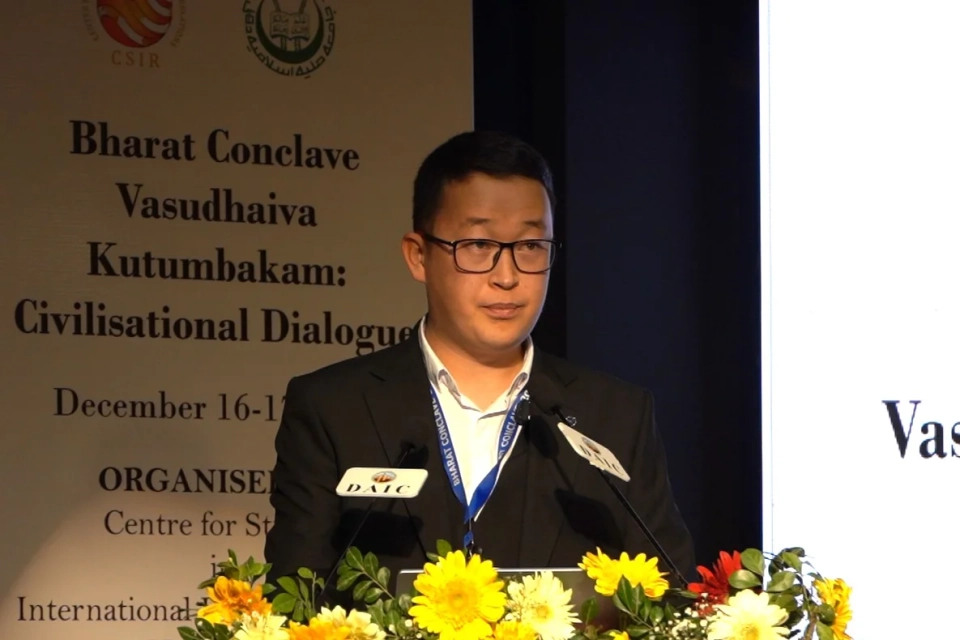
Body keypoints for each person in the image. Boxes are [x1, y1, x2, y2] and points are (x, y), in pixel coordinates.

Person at [263, 131, 695, 597]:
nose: (507, 276)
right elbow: (294, 598)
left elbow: (668, 592)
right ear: (418, 256)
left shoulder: (615, 415)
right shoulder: (333, 408)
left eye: (531, 246)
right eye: (478, 245)